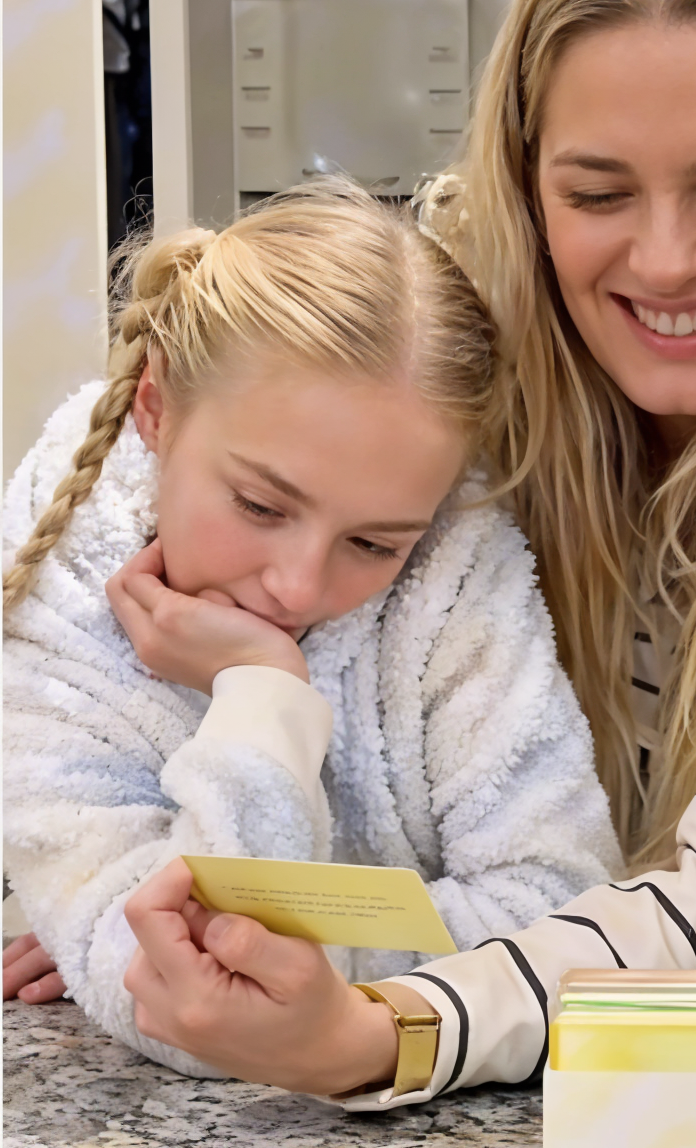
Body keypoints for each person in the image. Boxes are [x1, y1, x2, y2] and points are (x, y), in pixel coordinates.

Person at [114, 0, 696, 1102]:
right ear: (523, 191)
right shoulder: (482, 405)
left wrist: (379, 1031)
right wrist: (173, 901)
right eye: (599, 194)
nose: (666, 256)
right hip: (572, 1075)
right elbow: (391, 762)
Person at [1, 179, 620, 1085]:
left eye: (373, 544)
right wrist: (270, 701)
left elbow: (569, 916)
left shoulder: (455, 567)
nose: (298, 586)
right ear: (156, 408)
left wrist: (308, 981)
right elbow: (177, 1003)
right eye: (259, 504)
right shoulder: (56, 587)